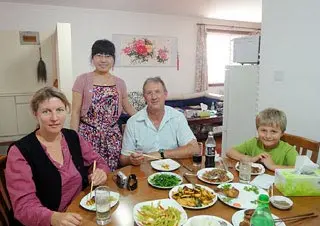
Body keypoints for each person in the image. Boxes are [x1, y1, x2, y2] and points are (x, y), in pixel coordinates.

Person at [5, 87, 110, 226]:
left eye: (59, 110)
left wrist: (100, 172)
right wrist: (53, 218)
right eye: (46, 111)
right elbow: (23, 207)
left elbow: (99, 162)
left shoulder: (73, 137)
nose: (54, 118)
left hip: (80, 211)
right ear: (35, 113)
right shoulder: (20, 151)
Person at [70, 39, 136, 171]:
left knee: (112, 172)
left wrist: (147, 118)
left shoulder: (120, 83)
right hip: (88, 135)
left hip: (112, 137)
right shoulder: (82, 80)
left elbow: (127, 106)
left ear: (113, 59)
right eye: (99, 55)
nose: (103, 60)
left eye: (108, 56)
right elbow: (76, 112)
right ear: (92, 58)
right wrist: (73, 139)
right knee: (90, 172)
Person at [120, 77, 199, 166]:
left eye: (157, 92)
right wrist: (131, 160)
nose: (154, 97)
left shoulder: (177, 117)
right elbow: (123, 159)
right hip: (143, 174)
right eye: (149, 93)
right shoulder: (133, 122)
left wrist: (161, 154)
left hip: (174, 172)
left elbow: (194, 148)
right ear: (144, 97)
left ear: (165, 94)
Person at [226, 108, 298, 171]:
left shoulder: (288, 150)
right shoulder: (254, 143)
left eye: (273, 131)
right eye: (263, 130)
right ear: (257, 130)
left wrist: (273, 166)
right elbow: (230, 152)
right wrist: (251, 159)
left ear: (282, 133)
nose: (268, 136)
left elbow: (300, 170)